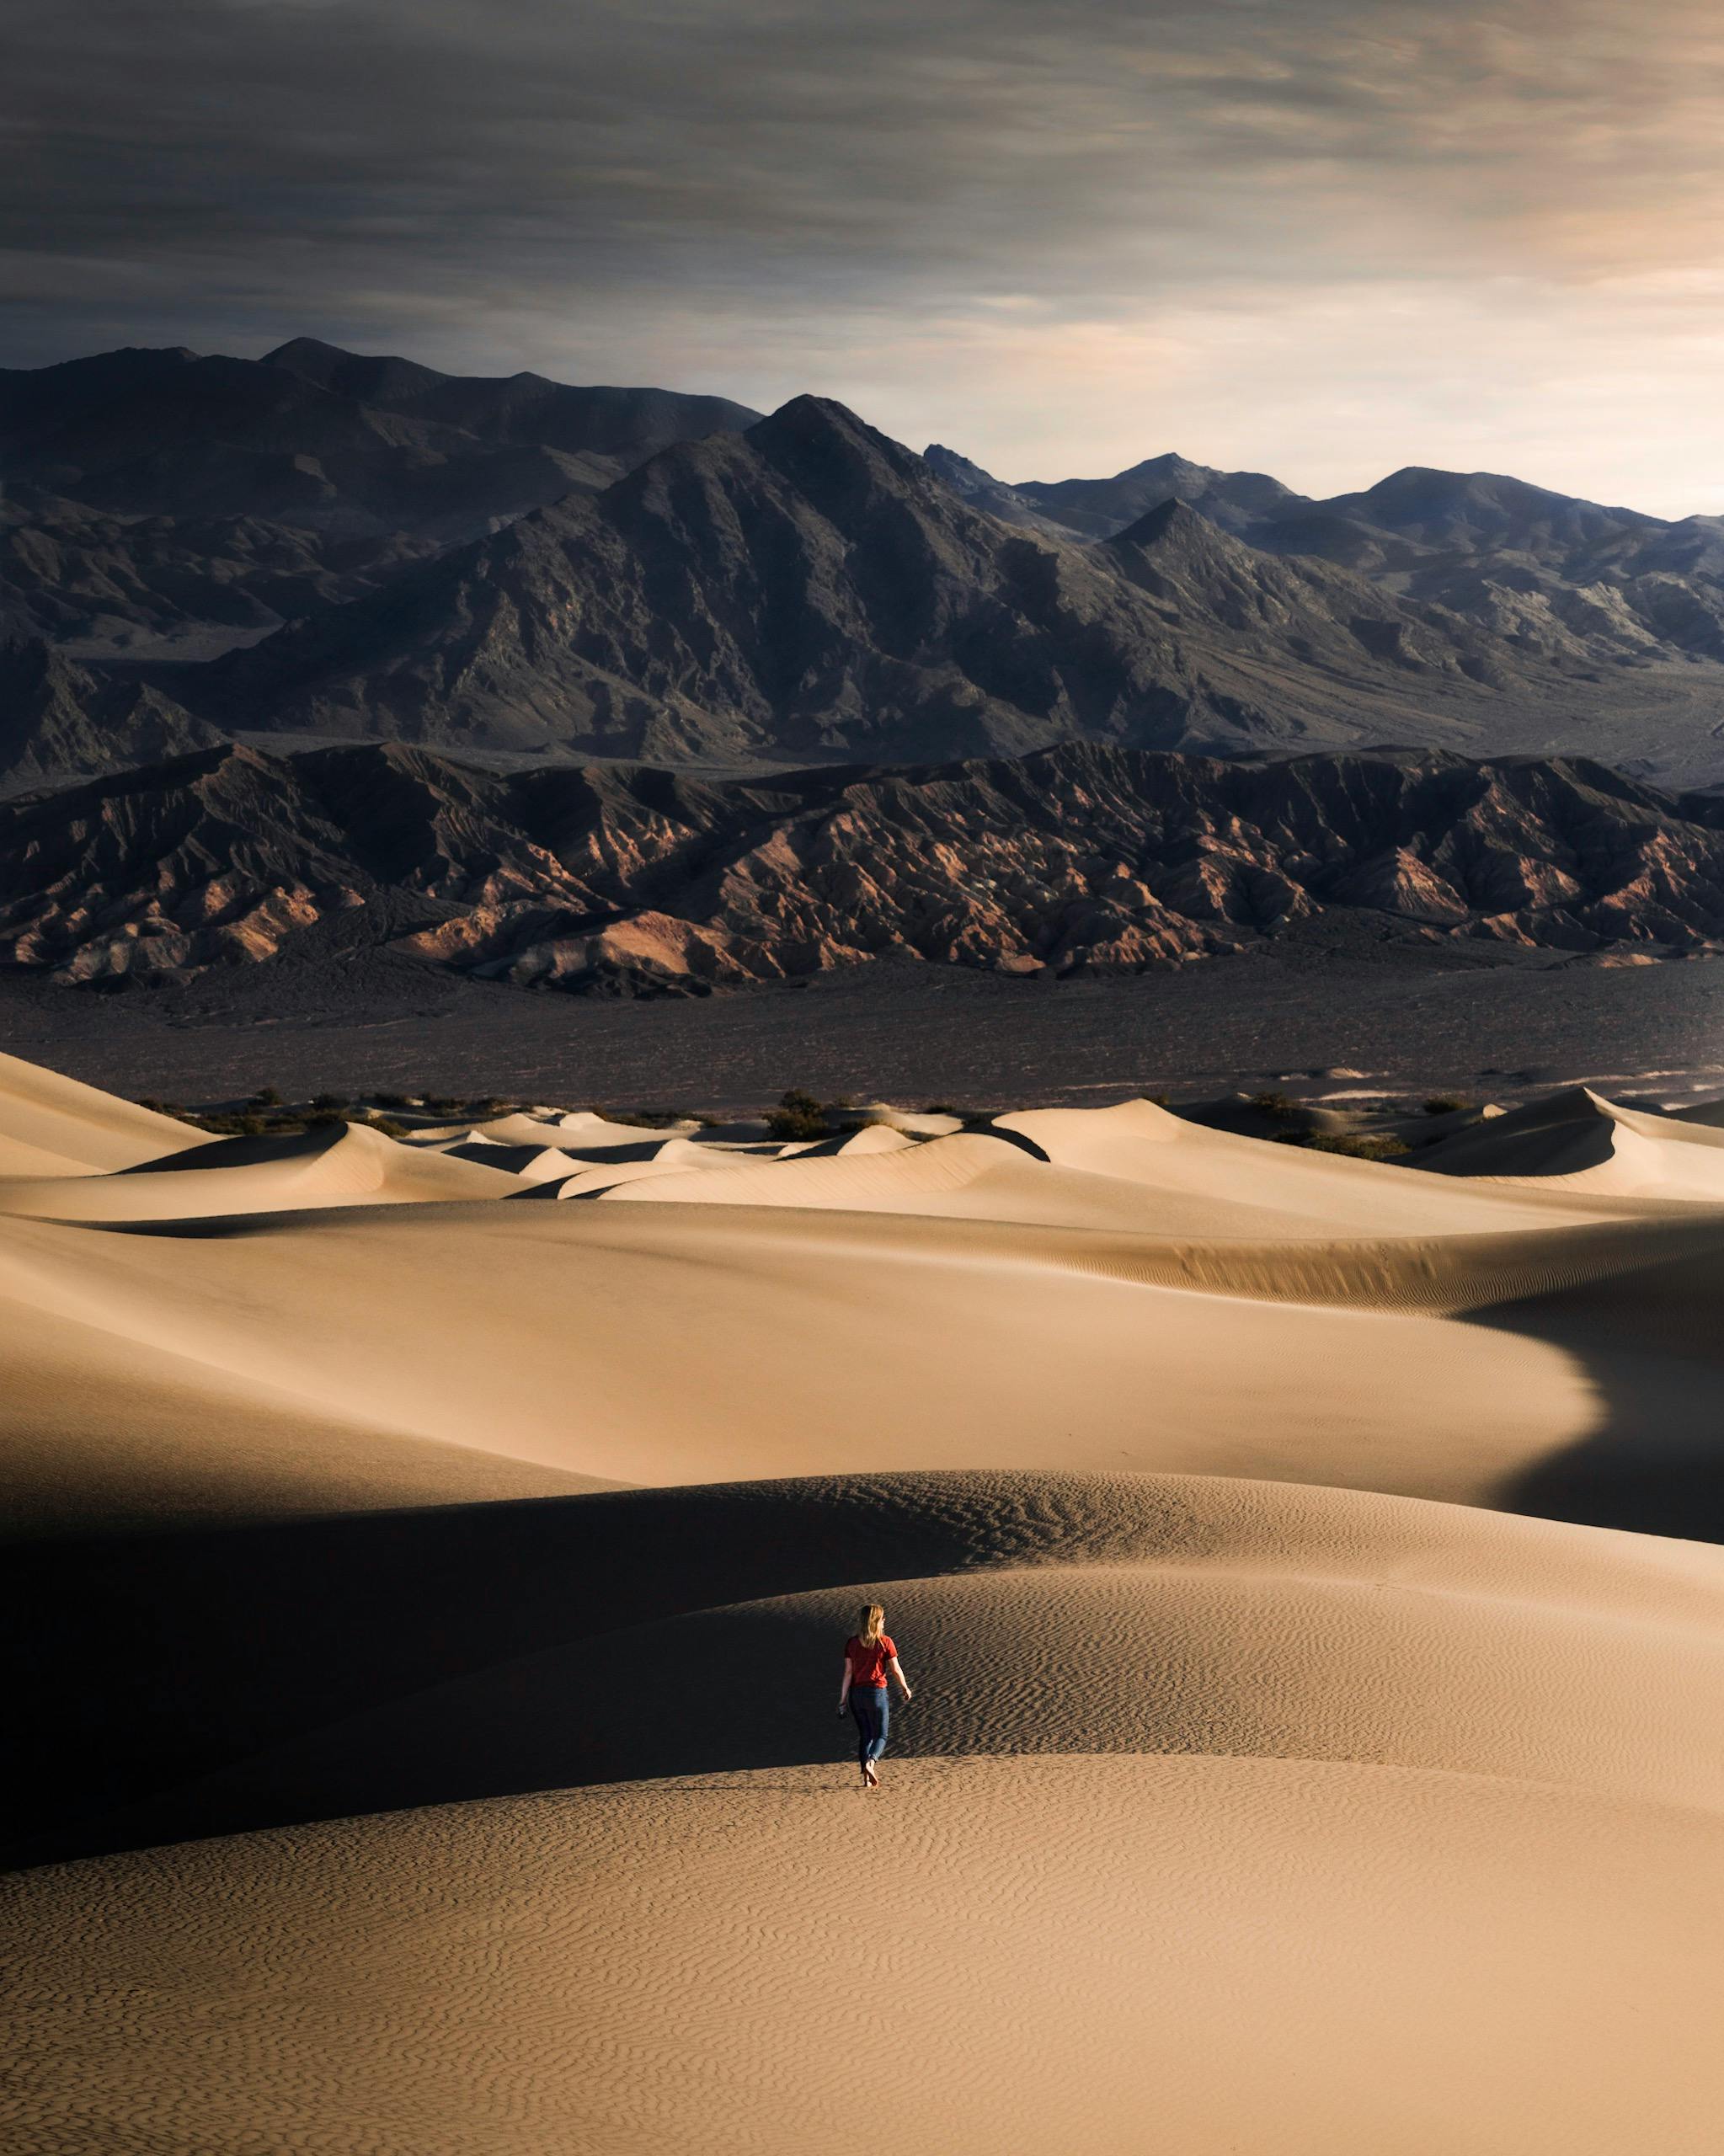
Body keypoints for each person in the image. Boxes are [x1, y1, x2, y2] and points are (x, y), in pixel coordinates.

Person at [837, 1603, 912, 1788]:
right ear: (876, 1621)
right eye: (882, 1618)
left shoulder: (852, 1643)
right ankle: (871, 1762)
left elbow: (848, 1673)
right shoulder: (885, 1642)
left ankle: (865, 1779)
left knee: (865, 1735)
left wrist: (843, 1700)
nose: (885, 1621)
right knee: (881, 1735)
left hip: (856, 1695)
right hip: (876, 1693)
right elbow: (895, 1669)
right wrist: (905, 1687)